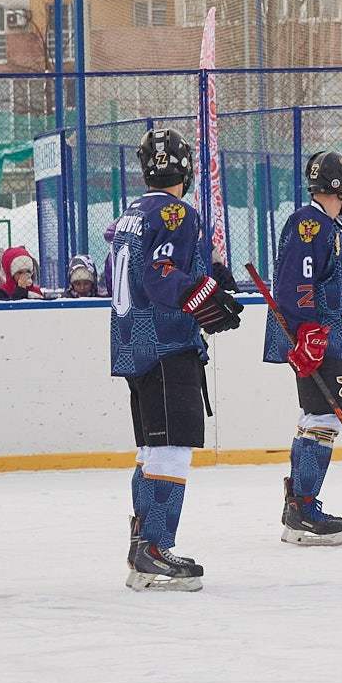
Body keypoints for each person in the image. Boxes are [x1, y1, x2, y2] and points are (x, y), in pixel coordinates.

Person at [108, 127, 243, 591]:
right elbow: (163, 274)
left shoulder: (131, 211)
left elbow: (134, 267)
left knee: (150, 450)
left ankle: (142, 545)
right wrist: (207, 298)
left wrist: (208, 274)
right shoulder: (177, 211)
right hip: (166, 344)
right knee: (171, 449)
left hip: (133, 343)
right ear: (185, 167)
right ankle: (154, 547)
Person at [262, 150, 342, 546]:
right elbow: (293, 285)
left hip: (333, 337)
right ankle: (303, 507)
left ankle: (298, 506)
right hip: (317, 339)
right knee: (324, 419)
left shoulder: (337, 227)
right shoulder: (309, 224)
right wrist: (307, 332)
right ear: (338, 184)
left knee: (317, 417)